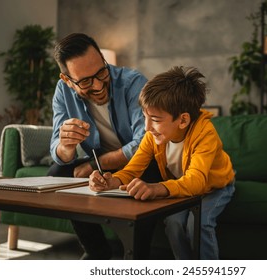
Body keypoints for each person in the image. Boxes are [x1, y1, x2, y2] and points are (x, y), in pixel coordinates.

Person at [89, 66, 235, 259]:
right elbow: (132, 170)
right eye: (144, 117)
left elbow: (197, 182)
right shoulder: (152, 135)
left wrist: (156, 188)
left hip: (215, 187)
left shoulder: (205, 134)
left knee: (198, 224)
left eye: (155, 120)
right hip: (183, 185)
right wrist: (111, 181)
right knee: (173, 223)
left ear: (182, 120)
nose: (147, 127)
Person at [49, 33, 160, 259]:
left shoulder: (133, 83)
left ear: (102, 58)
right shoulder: (63, 92)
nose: (99, 85)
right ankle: (97, 254)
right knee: (57, 173)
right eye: (86, 81)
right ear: (67, 80)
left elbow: (144, 142)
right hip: (103, 164)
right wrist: (67, 146)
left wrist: (93, 165)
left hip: (142, 161)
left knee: (146, 175)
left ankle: (137, 259)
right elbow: (58, 150)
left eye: (101, 72)